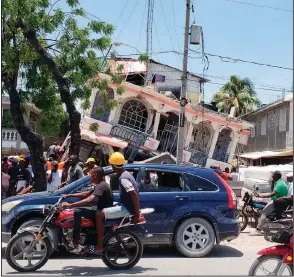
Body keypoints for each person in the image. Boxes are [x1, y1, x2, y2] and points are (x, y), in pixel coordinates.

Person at [95, 152, 143, 254]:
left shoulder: (123, 178)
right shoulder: (126, 174)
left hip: (126, 208)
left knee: (99, 215)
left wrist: (137, 213)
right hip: (124, 205)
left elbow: (134, 195)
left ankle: (99, 246)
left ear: (113, 165)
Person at [61, 167, 113, 253]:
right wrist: (68, 195)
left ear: (95, 175)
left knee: (77, 211)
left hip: (102, 213)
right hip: (99, 211)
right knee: (78, 211)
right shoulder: (100, 185)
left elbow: (89, 199)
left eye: (91, 175)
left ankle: (75, 240)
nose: (90, 176)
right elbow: (85, 193)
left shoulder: (101, 186)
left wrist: (70, 205)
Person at [250, 170, 288, 236]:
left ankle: (258, 230)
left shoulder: (279, 184)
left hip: (276, 202)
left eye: (273, 175)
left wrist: (260, 195)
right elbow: (272, 191)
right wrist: (273, 183)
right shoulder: (281, 182)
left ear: (276, 176)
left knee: (264, 212)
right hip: (278, 201)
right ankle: (265, 228)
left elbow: (271, 194)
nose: (272, 177)